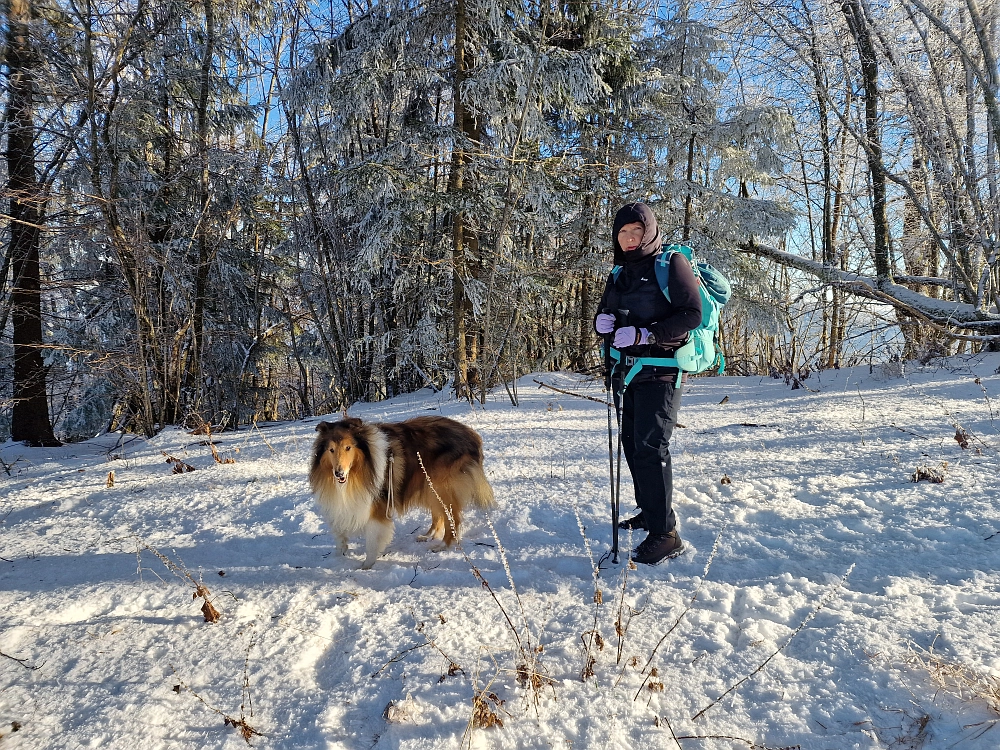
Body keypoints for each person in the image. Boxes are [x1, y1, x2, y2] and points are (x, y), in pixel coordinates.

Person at [594, 202, 702, 565]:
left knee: (651, 447)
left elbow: (691, 314)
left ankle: (666, 534)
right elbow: (606, 309)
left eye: (635, 231)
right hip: (627, 371)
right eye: (623, 232)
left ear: (650, 232)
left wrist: (646, 333)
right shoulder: (619, 271)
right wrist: (602, 322)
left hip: (662, 370)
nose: (628, 238)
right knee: (631, 443)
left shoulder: (671, 265)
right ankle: (649, 512)